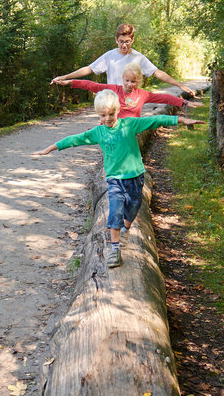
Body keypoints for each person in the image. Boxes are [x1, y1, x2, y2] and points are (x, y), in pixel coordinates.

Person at [31, 89, 204, 268]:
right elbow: (75, 139)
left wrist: (181, 120)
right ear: (98, 114)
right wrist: (50, 149)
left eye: (111, 114)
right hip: (114, 180)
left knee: (133, 207)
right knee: (115, 212)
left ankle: (126, 229)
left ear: (118, 110)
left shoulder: (129, 124)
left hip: (135, 177)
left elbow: (155, 120)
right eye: (103, 115)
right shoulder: (98, 132)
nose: (107, 118)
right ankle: (114, 250)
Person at [51, 23, 198, 99]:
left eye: (127, 41)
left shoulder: (138, 57)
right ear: (116, 40)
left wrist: (179, 85)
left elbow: (157, 73)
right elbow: (89, 69)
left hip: (130, 102)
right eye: (121, 41)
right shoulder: (109, 56)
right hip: (110, 101)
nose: (124, 45)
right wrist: (65, 77)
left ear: (133, 40)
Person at [53, 62, 203, 119]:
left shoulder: (143, 94)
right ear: (122, 79)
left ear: (138, 81)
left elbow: (164, 98)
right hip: (112, 129)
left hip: (131, 132)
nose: (130, 84)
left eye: (133, 81)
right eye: (127, 80)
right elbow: (91, 85)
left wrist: (183, 103)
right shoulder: (114, 89)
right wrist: (69, 82)